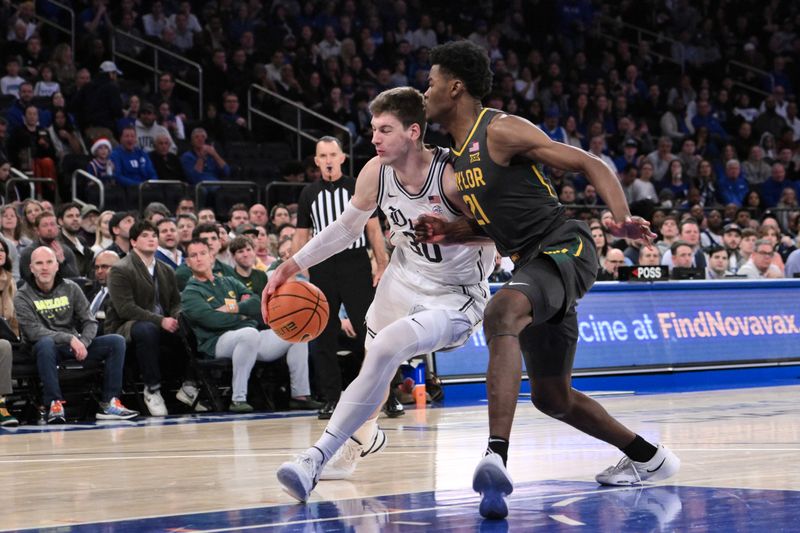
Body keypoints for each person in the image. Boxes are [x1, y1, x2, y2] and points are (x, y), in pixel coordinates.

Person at [415, 41, 678, 518]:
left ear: (455, 87)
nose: (425, 90)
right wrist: (448, 232)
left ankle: (496, 453)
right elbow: (494, 226)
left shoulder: (500, 129)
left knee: (501, 310)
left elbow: (589, 162)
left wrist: (619, 219)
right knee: (551, 397)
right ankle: (649, 457)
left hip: (566, 245)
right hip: (532, 263)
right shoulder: (454, 161)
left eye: (430, 82)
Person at [272, 87, 495, 502]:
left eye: (385, 129)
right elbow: (344, 229)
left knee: (386, 347)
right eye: (373, 128)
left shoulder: (453, 176)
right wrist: (290, 266)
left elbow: (503, 230)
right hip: (402, 278)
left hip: (454, 295)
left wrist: (452, 232)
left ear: (413, 131)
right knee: (373, 365)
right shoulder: (376, 170)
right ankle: (362, 439)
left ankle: (315, 457)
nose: (374, 137)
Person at [292, 136, 390, 419]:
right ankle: (332, 398)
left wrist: (381, 263)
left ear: (343, 157)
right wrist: (301, 270)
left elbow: (373, 229)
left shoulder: (356, 187)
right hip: (322, 266)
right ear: (316, 161)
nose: (328, 160)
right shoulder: (308, 193)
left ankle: (388, 394)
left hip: (355, 263)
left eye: (333, 154)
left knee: (370, 332)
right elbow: (301, 236)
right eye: (323, 156)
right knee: (322, 334)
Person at [181, 239, 318, 412]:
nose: (199, 258)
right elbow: (211, 320)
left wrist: (233, 308)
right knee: (248, 333)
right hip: (216, 343)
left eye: (202, 253)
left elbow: (255, 302)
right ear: (188, 262)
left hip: (249, 336)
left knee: (298, 332)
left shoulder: (228, 281)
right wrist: (242, 317)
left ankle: (300, 396)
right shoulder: (190, 292)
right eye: (193, 255)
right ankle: (238, 399)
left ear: (211, 257)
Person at [15, 246, 138, 423]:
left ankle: (110, 402)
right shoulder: (22, 295)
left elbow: (89, 321)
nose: (44, 267)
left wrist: (84, 342)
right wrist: (71, 338)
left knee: (116, 342)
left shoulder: (71, 288)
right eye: (39, 263)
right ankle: (54, 404)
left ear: (57, 266)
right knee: (45, 343)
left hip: (73, 346)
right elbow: (33, 332)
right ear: (31, 267)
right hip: (44, 350)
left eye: (49, 262)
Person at [104, 221, 199, 416]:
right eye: (146, 236)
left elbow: (175, 302)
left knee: (190, 322)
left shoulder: (166, 269)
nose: (151, 239)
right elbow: (125, 309)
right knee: (147, 328)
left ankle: (190, 384)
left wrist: (176, 316)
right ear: (133, 241)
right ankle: (152, 389)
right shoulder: (120, 269)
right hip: (126, 327)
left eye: (154, 236)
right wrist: (160, 320)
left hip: (160, 324)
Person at [19, 211, 80, 282]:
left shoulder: (66, 251)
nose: (50, 229)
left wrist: (62, 262)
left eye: (52, 224)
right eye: (45, 225)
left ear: (58, 228)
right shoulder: (29, 253)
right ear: (37, 230)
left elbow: (75, 279)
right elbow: (29, 280)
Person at [174, 223, 235, 290]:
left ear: (220, 243)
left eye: (214, 238)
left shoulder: (229, 270)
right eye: (205, 240)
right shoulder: (183, 273)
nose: (210, 243)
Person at [57, 203, 95, 277]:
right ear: (60, 221)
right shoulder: (57, 245)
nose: (75, 219)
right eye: (70, 216)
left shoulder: (82, 241)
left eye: (77, 216)